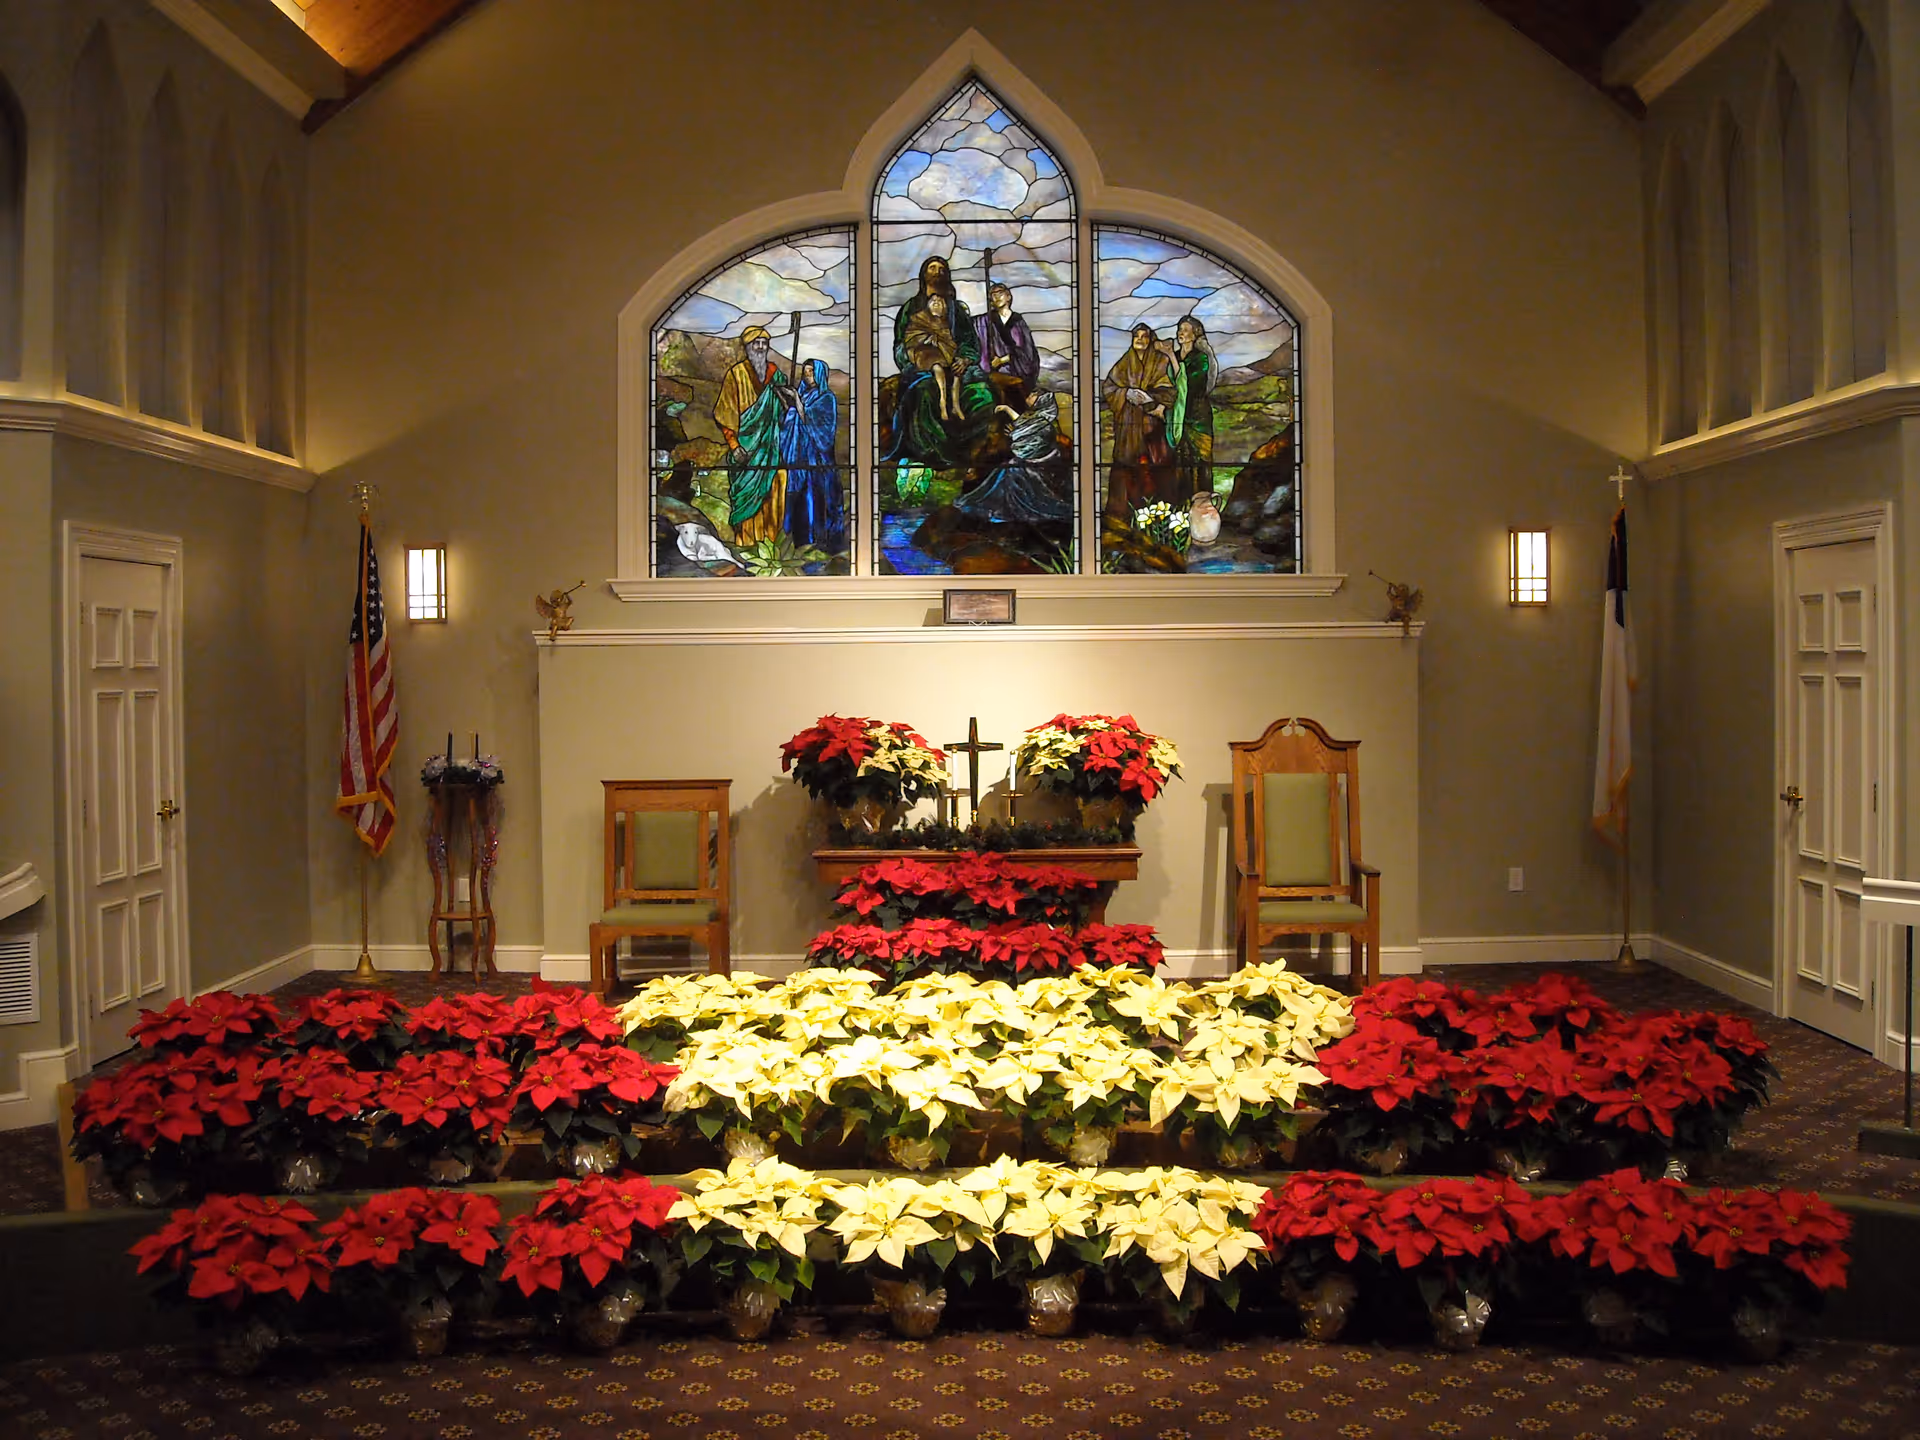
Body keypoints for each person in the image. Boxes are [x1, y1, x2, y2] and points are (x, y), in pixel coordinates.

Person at [885, 255, 991, 468]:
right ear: (924, 275)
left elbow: (969, 340)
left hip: (955, 363)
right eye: (932, 268)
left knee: (982, 393)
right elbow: (901, 342)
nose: (937, 272)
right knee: (924, 391)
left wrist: (965, 359)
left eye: (941, 269)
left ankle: (972, 452)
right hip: (922, 365)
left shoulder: (955, 310)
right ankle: (933, 455)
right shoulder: (911, 308)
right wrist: (914, 356)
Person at [713, 325, 795, 547]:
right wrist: (734, 445)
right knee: (747, 499)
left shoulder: (774, 373)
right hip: (746, 450)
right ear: (747, 347)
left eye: (764, 343)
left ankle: (772, 547)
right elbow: (725, 413)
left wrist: (787, 396)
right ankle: (747, 545)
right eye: (755, 343)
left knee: (775, 489)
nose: (760, 347)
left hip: (771, 448)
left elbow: (784, 407)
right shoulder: (735, 375)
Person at [955, 391, 1072, 525]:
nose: (1028, 397)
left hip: (1042, 465)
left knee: (1012, 471)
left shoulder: (1042, 420)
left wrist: (1014, 429)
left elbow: (1028, 437)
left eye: (1033, 395)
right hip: (1030, 462)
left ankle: (1017, 509)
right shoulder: (1035, 417)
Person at [1101, 322, 1176, 518]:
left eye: (1144, 336)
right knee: (1126, 468)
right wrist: (1126, 393)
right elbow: (1109, 387)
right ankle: (1122, 514)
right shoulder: (1125, 362)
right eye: (1137, 336)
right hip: (1128, 428)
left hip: (1153, 427)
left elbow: (1171, 392)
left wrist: (1150, 398)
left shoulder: (1161, 362)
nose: (1140, 340)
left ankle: (1155, 516)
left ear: (1151, 339)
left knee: (1153, 469)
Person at [780, 357, 843, 553]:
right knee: (798, 498)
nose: (808, 377)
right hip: (799, 458)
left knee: (816, 497)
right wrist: (786, 400)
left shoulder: (826, 398)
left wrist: (796, 400)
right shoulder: (805, 395)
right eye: (805, 373)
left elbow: (820, 428)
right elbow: (792, 419)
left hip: (818, 461)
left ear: (821, 374)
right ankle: (798, 540)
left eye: (811, 372)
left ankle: (819, 540)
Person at [1167, 315, 1218, 500]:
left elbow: (1190, 385)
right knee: (1180, 463)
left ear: (1195, 334)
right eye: (1180, 328)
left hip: (1197, 417)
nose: (1182, 332)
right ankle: (1181, 510)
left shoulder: (1201, 358)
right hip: (1177, 418)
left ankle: (1202, 509)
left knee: (1200, 464)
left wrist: (1172, 357)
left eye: (1186, 330)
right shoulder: (1173, 356)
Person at [973, 280, 1039, 408]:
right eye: (993, 294)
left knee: (1017, 390)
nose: (997, 296)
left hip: (1018, 369)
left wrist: (1003, 360)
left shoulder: (1018, 321)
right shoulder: (984, 321)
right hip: (995, 371)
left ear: (1008, 296)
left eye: (1000, 293)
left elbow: (1027, 351)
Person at [900, 294, 965, 422]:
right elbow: (911, 336)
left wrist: (941, 342)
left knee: (957, 372)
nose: (936, 303)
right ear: (928, 304)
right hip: (925, 353)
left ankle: (956, 406)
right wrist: (926, 338)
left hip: (943, 352)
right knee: (937, 367)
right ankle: (942, 402)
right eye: (933, 301)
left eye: (939, 301)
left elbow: (949, 341)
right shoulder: (919, 318)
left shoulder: (945, 322)